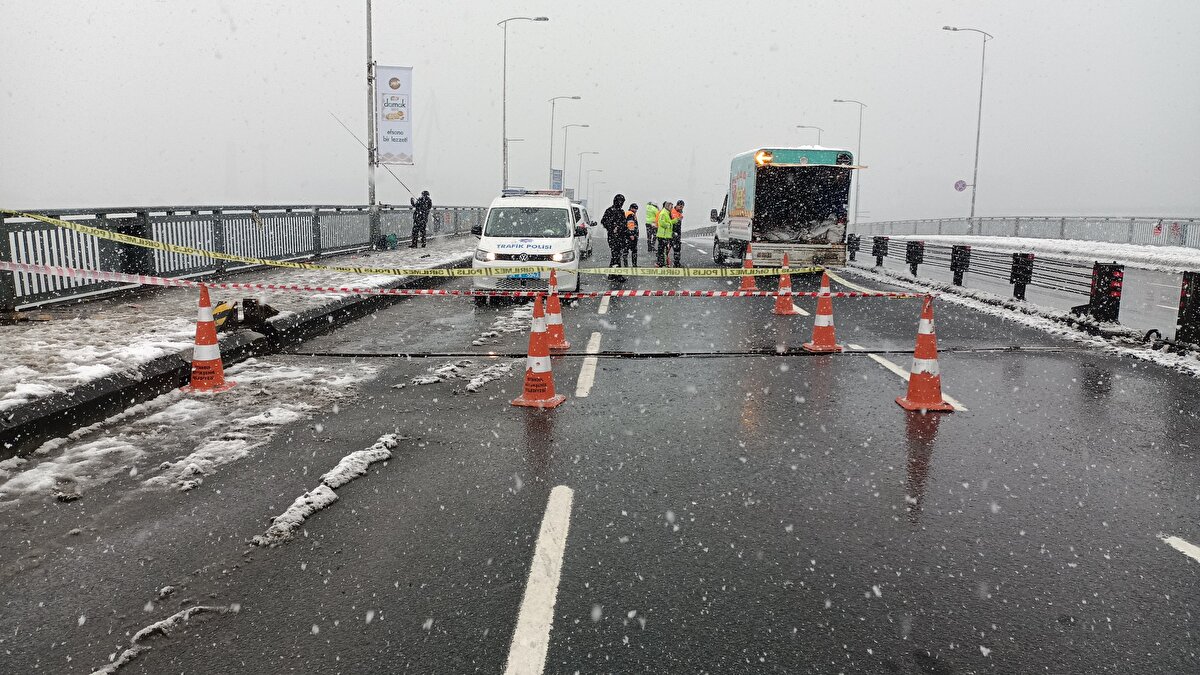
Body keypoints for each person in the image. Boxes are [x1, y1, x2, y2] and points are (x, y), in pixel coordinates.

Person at [601, 194, 627, 280]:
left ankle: (613, 273)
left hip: (620, 237)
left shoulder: (621, 212)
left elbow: (624, 224)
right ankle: (616, 274)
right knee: (616, 255)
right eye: (621, 202)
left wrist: (621, 229)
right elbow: (604, 221)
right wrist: (612, 227)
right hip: (613, 237)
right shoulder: (610, 211)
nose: (621, 203)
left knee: (616, 255)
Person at [655, 200, 678, 267]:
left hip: (665, 235)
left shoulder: (667, 213)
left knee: (664, 250)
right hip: (662, 235)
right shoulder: (663, 213)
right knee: (661, 250)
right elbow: (661, 222)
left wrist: (675, 221)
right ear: (667, 206)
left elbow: (669, 221)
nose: (672, 208)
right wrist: (669, 225)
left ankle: (662, 262)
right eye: (671, 207)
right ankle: (660, 263)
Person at [623, 203, 640, 267]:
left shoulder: (627, 213)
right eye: (635, 209)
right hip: (631, 236)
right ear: (631, 208)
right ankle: (634, 265)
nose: (636, 210)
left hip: (626, 235)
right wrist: (631, 234)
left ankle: (626, 265)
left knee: (626, 250)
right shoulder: (631, 214)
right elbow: (630, 225)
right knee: (634, 250)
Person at [671, 200, 685, 267]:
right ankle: (662, 263)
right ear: (676, 205)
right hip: (672, 233)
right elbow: (671, 222)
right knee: (673, 248)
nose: (681, 208)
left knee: (677, 248)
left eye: (682, 207)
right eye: (680, 206)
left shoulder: (679, 213)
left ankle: (676, 263)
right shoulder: (672, 212)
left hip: (677, 233)